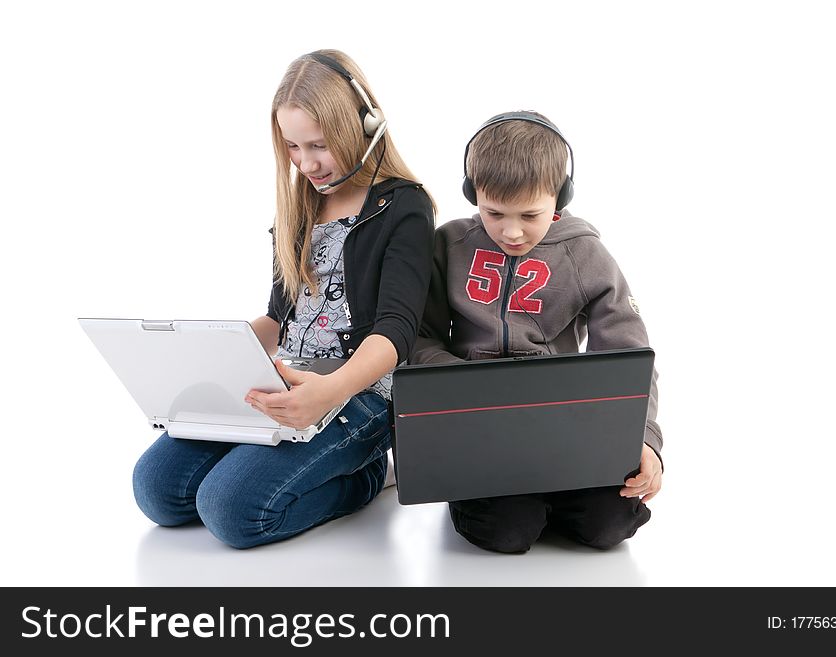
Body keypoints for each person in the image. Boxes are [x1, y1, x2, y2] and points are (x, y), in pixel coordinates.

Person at [133, 50, 435, 549]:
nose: (306, 163)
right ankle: (293, 462)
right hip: (288, 380)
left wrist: (331, 389)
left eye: (319, 145)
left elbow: (396, 332)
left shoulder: (404, 205)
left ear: (364, 127)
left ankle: (363, 476)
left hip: (357, 394)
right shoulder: (301, 200)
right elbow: (281, 314)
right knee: (157, 492)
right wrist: (214, 360)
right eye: (293, 147)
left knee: (230, 511)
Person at [411, 111, 662, 554]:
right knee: (506, 532)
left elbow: (630, 356)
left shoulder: (585, 253)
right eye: (493, 212)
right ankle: (522, 505)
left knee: (610, 524)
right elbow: (420, 338)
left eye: (530, 214)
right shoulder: (448, 245)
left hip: (562, 429)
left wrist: (644, 439)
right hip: (479, 425)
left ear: (560, 195)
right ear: (472, 193)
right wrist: (459, 380)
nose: (511, 231)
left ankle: (553, 498)